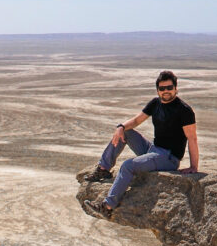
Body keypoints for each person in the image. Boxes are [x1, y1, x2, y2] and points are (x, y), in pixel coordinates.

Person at [83, 70, 198, 218]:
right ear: (158, 90)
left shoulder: (184, 110)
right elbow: (137, 121)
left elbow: (192, 138)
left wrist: (194, 167)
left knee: (127, 166)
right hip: (153, 150)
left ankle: (108, 206)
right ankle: (103, 168)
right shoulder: (155, 103)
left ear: (176, 88)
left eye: (169, 88)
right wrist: (121, 127)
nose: (166, 91)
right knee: (125, 132)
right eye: (162, 88)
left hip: (168, 158)